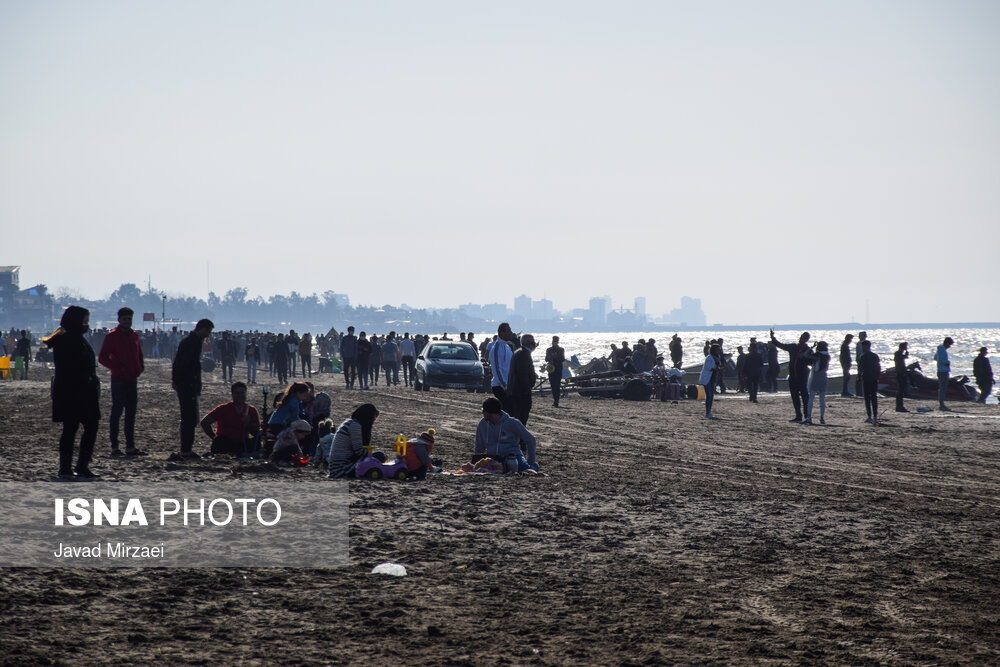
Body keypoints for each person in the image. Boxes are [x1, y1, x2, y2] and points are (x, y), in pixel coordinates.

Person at [45, 306, 100, 480]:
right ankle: (66, 468)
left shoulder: (77, 338)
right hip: (71, 391)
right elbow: (69, 367)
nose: (86, 324)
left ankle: (82, 466)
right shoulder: (65, 339)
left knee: (90, 427)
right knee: (71, 428)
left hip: (84, 391)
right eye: (84, 321)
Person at [97, 306, 146, 457]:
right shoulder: (111, 336)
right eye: (124, 319)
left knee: (131, 414)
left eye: (129, 319)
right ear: (119, 320)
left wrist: (140, 368)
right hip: (118, 379)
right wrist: (117, 367)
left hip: (132, 379)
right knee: (116, 413)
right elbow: (102, 357)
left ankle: (130, 447)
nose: (127, 321)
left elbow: (139, 355)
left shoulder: (134, 336)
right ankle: (114, 447)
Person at [171, 318, 215, 459]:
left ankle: (186, 449)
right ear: (202, 328)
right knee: (189, 418)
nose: (208, 334)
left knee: (190, 418)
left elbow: (179, 362)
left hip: (186, 384)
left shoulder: (190, 341)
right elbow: (185, 364)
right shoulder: (193, 343)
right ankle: (186, 450)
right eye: (208, 331)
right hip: (188, 385)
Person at [474, 397, 538, 472]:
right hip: (492, 458)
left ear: (489, 412)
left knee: (522, 469)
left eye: (483, 411)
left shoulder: (512, 423)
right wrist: (477, 461)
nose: (482, 413)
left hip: (512, 457)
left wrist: (530, 461)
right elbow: (479, 445)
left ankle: (534, 466)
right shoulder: (482, 424)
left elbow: (531, 440)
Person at [200, 381, 261, 456]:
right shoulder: (223, 408)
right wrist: (213, 437)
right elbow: (204, 422)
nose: (240, 395)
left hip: (242, 442)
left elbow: (255, 432)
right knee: (219, 441)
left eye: (242, 393)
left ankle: (241, 453)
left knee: (260, 440)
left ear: (246, 393)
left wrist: (248, 424)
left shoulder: (251, 410)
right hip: (225, 441)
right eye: (237, 393)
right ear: (232, 394)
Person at [328, 403, 380, 478]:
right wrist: (370, 453)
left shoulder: (350, 422)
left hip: (335, 467)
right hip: (342, 468)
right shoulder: (354, 425)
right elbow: (359, 452)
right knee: (379, 456)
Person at [770, 330, 812, 423]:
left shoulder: (808, 350)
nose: (802, 339)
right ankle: (798, 415)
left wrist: (804, 357)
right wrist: (773, 338)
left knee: (805, 397)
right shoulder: (793, 347)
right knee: (794, 397)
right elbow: (780, 345)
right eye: (802, 337)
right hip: (793, 376)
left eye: (805, 338)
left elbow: (812, 362)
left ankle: (807, 416)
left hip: (803, 376)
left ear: (807, 340)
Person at [507, 334, 537, 441]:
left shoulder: (519, 353)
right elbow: (522, 374)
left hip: (516, 391)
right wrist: (528, 387)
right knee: (521, 417)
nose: (534, 344)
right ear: (527, 343)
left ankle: (518, 439)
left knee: (519, 416)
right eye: (533, 342)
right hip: (521, 392)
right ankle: (520, 440)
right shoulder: (523, 354)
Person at [489, 322, 515, 412]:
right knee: (507, 411)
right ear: (502, 333)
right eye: (508, 330)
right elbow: (497, 369)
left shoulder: (508, 347)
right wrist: (505, 386)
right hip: (500, 386)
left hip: (509, 386)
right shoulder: (496, 348)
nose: (511, 332)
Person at [805, 341, 830, 424]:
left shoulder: (817, 356)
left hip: (815, 377)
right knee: (822, 399)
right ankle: (822, 418)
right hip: (823, 377)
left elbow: (806, 355)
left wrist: (811, 347)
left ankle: (808, 416)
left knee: (811, 398)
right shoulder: (827, 356)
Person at [860, 340, 881, 424]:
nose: (862, 348)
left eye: (863, 346)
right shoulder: (875, 356)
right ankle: (874, 416)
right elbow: (878, 367)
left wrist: (859, 377)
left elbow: (860, 368)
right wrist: (877, 376)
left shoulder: (863, 356)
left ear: (866, 346)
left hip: (867, 378)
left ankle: (870, 416)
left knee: (868, 398)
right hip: (874, 379)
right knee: (873, 397)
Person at [699, 344, 722, 419]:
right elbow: (709, 368)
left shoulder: (717, 358)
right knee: (709, 395)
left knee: (711, 396)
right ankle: (707, 412)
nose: (719, 351)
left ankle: (709, 412)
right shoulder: (709, 358)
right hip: (708, 378)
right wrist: (718, 369)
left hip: (712, 378)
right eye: (718, 349)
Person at [545, 335, 565, 407]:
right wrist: (551, 356)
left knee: (557, 385)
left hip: (558, 369)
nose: (554, 343)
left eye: (556, 342)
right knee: (553, 385)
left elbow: (562, 359)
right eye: (554, 342)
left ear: (558, 342)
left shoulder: (561, 349)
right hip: (551, 370)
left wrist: (556, 357)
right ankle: (555, 399)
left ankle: (556, 400)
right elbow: (546, 359)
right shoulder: (549, 350)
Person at [934, 336, 954, 411]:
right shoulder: (942, 349)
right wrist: (947, 362)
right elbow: (940, 359)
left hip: (941, 370)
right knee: (943, 388)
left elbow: (935, 358)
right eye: (949, 344)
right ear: (947, 343)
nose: (950, 346)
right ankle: (941, 404)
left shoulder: (940, 349)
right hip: (943, 371)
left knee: (942, 387)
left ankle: (941, 403)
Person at [894, 342, 910, 412]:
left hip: (901, 373)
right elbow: (900, 358)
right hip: (900, 373)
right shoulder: (898, 353)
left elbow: (904, 357)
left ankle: (900, 406)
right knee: (900, 390)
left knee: (901, 390)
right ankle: (899, 406)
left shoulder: (899, 354)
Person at [855, 331, 868, 399]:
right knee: (860, 376)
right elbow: (859, 353)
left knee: (861, 376)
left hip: (862, 361)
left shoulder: (861, 343)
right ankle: (860, 392)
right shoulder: (860, 344)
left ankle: (860, 392)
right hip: (861, 361)